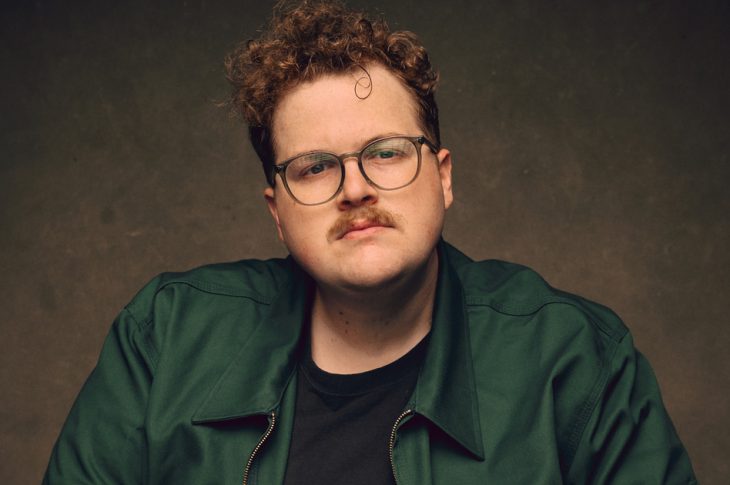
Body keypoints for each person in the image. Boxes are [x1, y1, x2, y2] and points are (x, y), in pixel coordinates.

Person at [44, 1, 696, 483]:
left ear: (442, 177)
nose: (354, 189)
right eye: (315, 166)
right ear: (277, 210)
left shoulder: (575, 360)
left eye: (384, 153)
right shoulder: (167, 335)